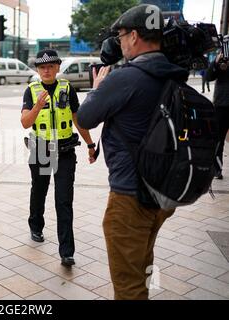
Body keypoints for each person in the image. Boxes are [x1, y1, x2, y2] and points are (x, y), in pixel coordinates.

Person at [76, 4, 189, 299]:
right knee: (142, 262)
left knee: (128, 285)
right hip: (162, 193)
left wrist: (97, 87)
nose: (120, 42)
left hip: (130, 196)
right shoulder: (175, 74)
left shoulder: (125, 78)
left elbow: (85, 117)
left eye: (122, 35)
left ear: (136, 36)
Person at [20, 49, 96, 267]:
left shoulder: (67, 88)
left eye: (51, 66)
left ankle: (67, 251)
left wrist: (90, 144)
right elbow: (25, 123)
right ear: (37, 69)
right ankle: (36, 225)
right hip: (40, 149)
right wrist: (37, 106)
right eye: (42, 67)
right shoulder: (31, 91)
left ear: (57, 67)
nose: (46, 70)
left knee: (64, 200)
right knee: (40, 190)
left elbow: (77, 118)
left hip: (64, 151)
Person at [207, 52, 229, 180]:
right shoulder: (221, 57)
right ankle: (217, 169)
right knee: (218, 140)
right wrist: (216, 63)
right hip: (222, 106)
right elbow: (209, 76)